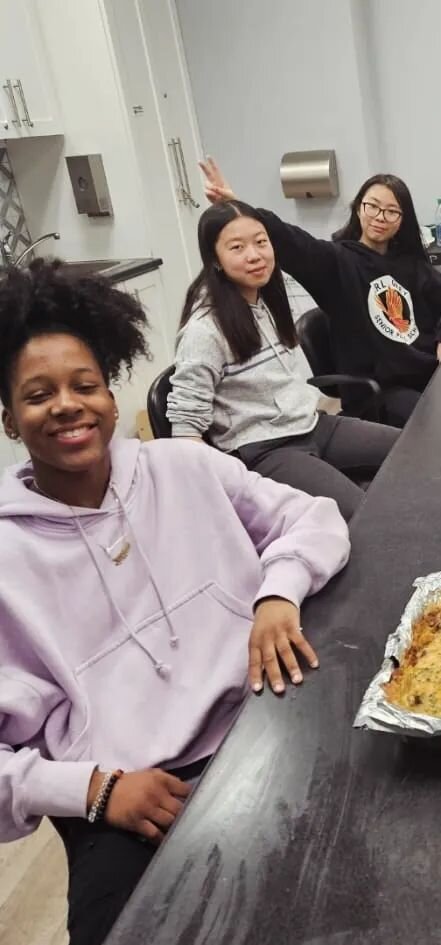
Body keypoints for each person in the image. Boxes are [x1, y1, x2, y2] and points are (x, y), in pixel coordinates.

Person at [0, 260, 350, 945]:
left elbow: (315, 517)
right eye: (39, 394)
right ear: (10, 418)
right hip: (131, 795)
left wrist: (278, 592)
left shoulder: (184, 468)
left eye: (85, 385)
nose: (67, 405)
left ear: (110, 391)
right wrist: (94, 791)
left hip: (263, 729)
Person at [200, 158, 441, 426]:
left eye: (391, 211)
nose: (380, 217)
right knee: (440, 420)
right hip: (379, 393)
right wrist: (238, 207)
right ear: (358, 208)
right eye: (371, 206)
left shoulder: (410, 265)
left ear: (402, 220)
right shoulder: (336, 262)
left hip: (425, 375)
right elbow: (290, 239)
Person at [167, 200, 401, 521]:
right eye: (237, 247)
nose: (254, 255)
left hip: (312, 425)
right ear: (216, 260)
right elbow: (184, 429)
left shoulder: (266, 302)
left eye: (261, 242)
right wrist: (217, 491)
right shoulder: (204, 330)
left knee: (410, 450)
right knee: (365, 514)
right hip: (266, 449)